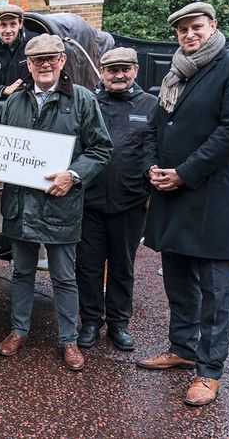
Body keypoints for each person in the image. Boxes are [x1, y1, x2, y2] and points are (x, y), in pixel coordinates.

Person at [137, 2, 229, 407]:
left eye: (196, 28)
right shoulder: (175, 75)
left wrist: (185, 173)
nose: (189, 35)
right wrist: (152, 168)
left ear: (213, 26)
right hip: (172, 197)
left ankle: (209, 370)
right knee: (177, 281)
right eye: (182, 30)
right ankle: (182, 347)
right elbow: (155, 130)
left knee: (216, 290)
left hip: (212, 197)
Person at [0, 34, 112, 371]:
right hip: (20, 205)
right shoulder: (14, 103)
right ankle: (18, 330)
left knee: (63, 276)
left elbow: (101, 148)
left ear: (61, 62)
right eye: (37, 60)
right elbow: (0, 147)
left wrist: (72, 175)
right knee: (22, 272)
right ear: (28, 65)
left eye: (51, 58)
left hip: (60, 202)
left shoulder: (82, 99)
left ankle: (68, 340)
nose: (44, 64)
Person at [75, 48, 158, 351]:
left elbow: (154, 149)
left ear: (135, 70)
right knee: (88, 266)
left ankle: (119, 324)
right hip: (90, 204)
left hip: (130, 203)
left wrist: (150, 192)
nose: (119, 75)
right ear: (102, 72)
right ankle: (91, 321)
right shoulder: (88, 104)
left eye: (125, 69)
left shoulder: (151, 105)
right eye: (112, 70)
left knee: (123, 266)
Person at [0, 4, 37, 108]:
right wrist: (3, 90)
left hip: (27, 103)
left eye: (13, 24)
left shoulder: (33, 43)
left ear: (20, 24)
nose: (8, 30)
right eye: (3, 25)